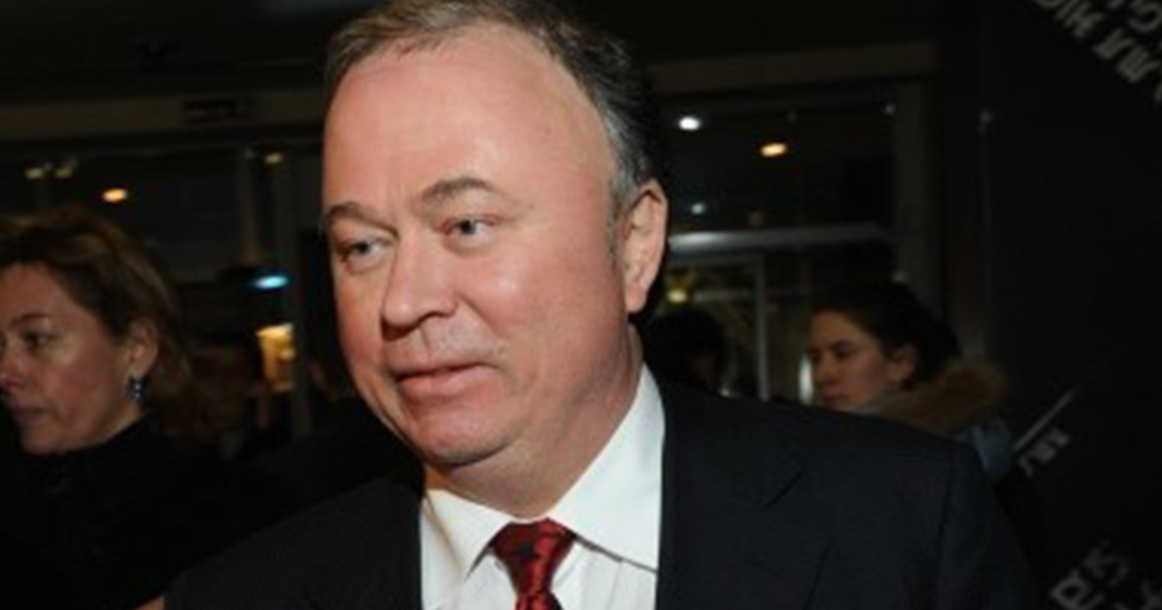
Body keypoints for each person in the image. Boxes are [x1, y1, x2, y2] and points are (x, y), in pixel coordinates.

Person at [154, 1, 1038, 608]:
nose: (404, 301)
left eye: (466, 225)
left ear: (634, 243)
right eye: (362, 246)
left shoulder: (902, 526)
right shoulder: (240, 595)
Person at [0, 206, 293, 610]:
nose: (5, 373)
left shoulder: (239, 519)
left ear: (136, 349)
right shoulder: (18, 512)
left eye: (36, 339)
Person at [806, 280, 1014, 480]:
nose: (822, 375)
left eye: (843, 354)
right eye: (815, 359)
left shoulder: (960, 453)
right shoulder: (815, 446)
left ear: (901, 364)